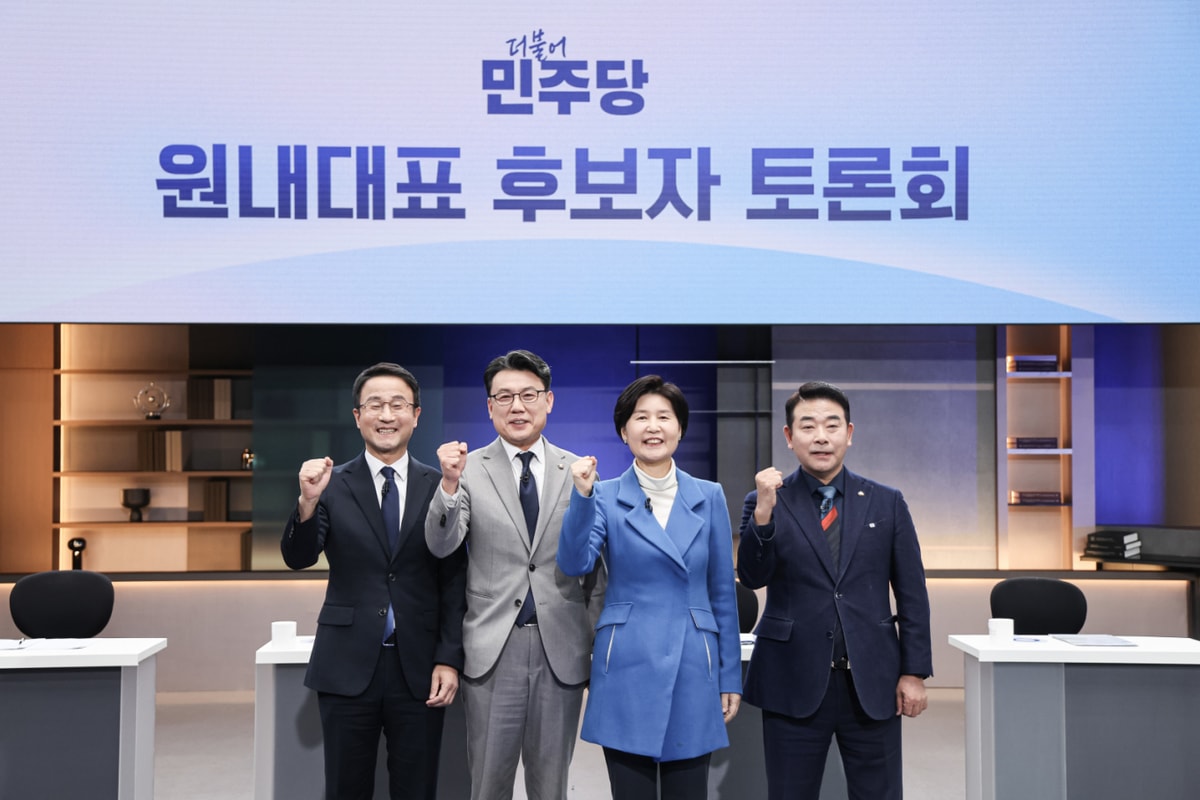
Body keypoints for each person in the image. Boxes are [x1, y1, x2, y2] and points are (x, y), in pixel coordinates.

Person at [737, 380, 932, 800]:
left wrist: (914, 672)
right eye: (808, 426)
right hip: (792, 677)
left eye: (832, 425)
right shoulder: (764, 500)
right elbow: (752, 576)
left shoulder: (886, 501)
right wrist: (764, 514)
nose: (821, 437)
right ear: (789, 436)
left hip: (872, 679)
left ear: (849, 433)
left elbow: (912, 593)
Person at [425, 349, 605, 800]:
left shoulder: (578, 471)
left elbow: (594, 572)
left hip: (560, 647)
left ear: (549, 401)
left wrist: (595, 646)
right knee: (488, 784)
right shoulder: (467, 470)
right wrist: (448, 485)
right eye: (504, 397)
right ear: (489, 407)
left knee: (551, 787)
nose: (517, 406)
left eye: (528, 394)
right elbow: (442, 545)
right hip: (493, 648)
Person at [281, 362, 467, 800]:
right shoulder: (330, 484)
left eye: (398, 405)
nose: (386, 415)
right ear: (357, 416)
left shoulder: (441, 485)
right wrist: (307, 503)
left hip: (419, 667)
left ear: (416, 415)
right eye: (375, 405)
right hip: (346, 664)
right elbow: (298, 557)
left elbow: (454, 579)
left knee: (417, 789)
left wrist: (448, 658)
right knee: (346, 788)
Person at [557, 375, 742, 800]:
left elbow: (722, 593)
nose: (653, 427)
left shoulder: (709, 496)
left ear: (680, 428)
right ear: (624, 431)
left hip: (694, 662)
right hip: (626, 662)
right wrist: (581, 496)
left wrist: (729, 675)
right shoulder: (603, 495)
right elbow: (574, 562)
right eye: (641, 417)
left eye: (664, 416)